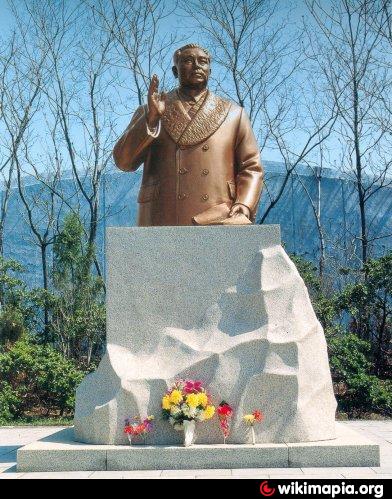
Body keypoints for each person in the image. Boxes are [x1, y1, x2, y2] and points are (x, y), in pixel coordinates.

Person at [113, 43, 264, 226]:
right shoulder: (151, 110)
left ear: (210, 70)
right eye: (188, 61)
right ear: (175, 71)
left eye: (203, 61)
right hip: (162, 215)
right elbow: (123, 162)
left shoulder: (234, 114)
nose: (197, 65)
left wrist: (244, 204)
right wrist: (151, 120)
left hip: (217, 214)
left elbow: (251, 167)